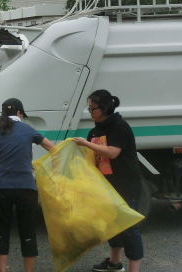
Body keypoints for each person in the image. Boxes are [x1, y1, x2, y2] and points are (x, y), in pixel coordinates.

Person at [73, 90, 144, 272]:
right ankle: (114, 263)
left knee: (128, 228)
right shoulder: (95, 131)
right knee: (112, 226)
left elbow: (112, 153)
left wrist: (85, 143)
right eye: (89, 109)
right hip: (107, 186)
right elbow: (92, 157)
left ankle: (134, 269)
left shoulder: (120, 127)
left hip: (126, 185)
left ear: (104, 108)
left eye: (92, 108)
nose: (90, 112)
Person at [0, 98, 55, 272]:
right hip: (25, 187)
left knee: (0, 232)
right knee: (28, 233)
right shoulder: (27, 129)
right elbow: (53, 148)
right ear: (19, 113)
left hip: (0, 186)